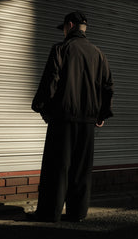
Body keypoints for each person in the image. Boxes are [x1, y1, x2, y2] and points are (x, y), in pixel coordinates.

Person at [31, 11, 114, 222]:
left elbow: (51, 80)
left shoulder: (61, 49)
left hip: (63, 119)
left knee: (57, 168)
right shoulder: (99, 54)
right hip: (87, 121)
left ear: (69, 25)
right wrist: (102, 113)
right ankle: (77, 212)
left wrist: (41, 107)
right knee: (81, 169)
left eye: (64, 29)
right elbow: (107, 87)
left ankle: (49, 214)